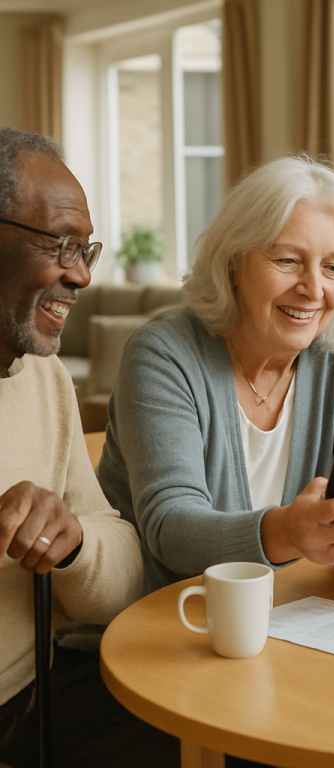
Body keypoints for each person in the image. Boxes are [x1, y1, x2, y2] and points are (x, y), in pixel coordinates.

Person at [97, 155, 334, 598]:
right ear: (233, 262)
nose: (313, 289)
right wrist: (288, 532)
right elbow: (170, 527)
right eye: (288, 260)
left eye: (333, 267)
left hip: (285, 625)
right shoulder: (163, 355)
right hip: (164, 628)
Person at [0, 128, 180, 767]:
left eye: (87, 249)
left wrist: (72, 541)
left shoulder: (44, 379)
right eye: (60, 244)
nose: (80, 275)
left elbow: (121, 565)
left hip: (33, 697)